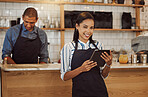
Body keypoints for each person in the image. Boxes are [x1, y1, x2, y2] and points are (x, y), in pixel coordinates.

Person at [60, 12, 112, 97]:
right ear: (77, 26)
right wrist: (81, 69)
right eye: (85, 27)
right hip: (80, 92)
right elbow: (64, 76)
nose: (88, 31)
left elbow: (103, 75)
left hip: (100, 92)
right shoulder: (68, 47)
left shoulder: (99, 46)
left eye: (91, 28)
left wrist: (108, 64)